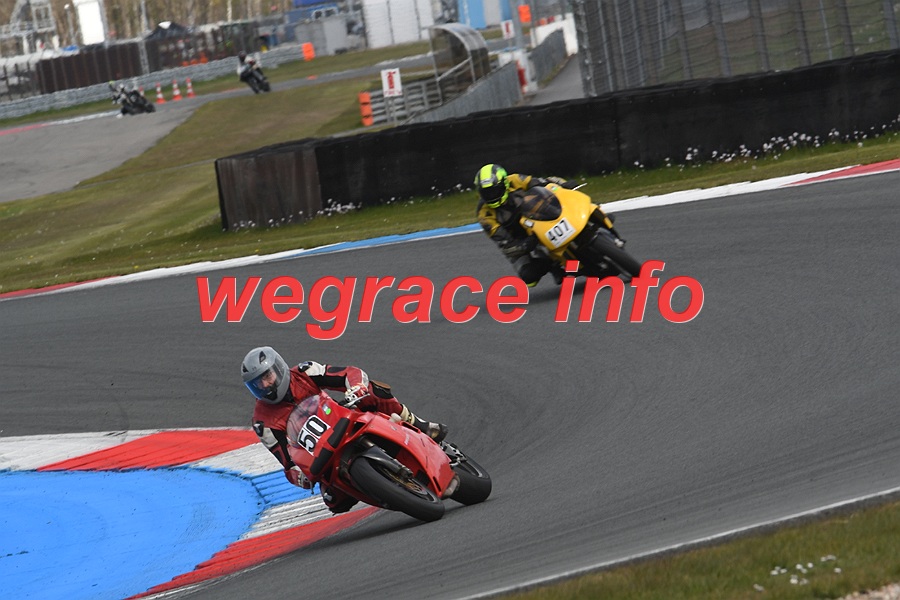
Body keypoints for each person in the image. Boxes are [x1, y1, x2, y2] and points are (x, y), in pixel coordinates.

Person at [242, 346, 448, 514]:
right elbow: (288, 463)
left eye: (267, 376)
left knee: (374, 392)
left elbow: (348, 373)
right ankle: (390, 492)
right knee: (334, 502)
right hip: (322, 455)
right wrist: (301, 477)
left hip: (343, 420)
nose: (265, 385)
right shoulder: (262, 422)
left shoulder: (305, 372)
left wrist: (356, 387)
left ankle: (420, 424)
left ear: (279, 368)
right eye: (258, 384)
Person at [474, 163, 573, 287]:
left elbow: (544, 183)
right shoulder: (484, 215)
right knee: (529, 277)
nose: (491, 196)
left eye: (494, 191)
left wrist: (563, 185)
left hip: (540, 217)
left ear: (504, 184)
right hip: (519, 237)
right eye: (487, 193)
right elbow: (505, 245)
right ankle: (552, 265)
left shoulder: (515, 180)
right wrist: (523, 246)